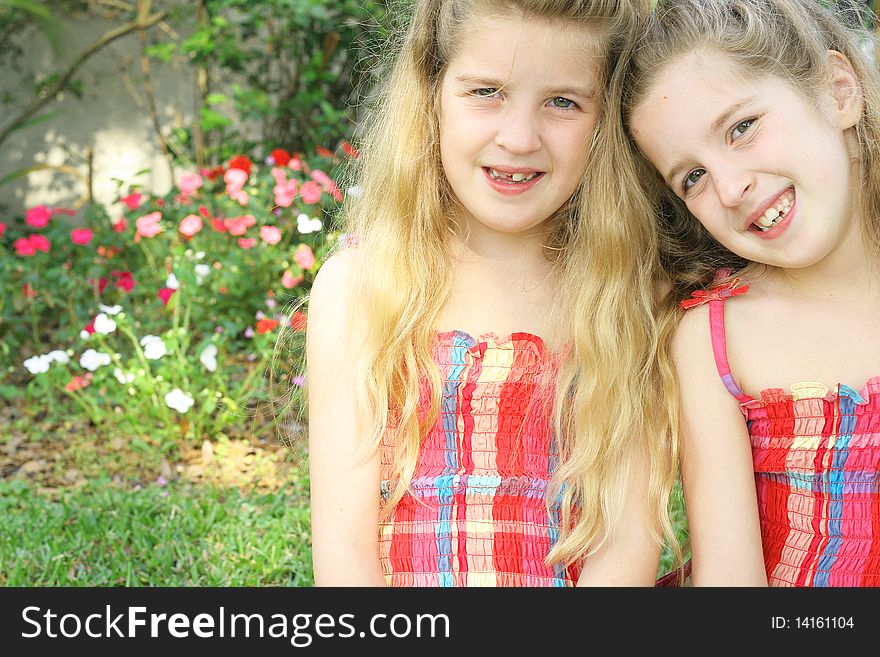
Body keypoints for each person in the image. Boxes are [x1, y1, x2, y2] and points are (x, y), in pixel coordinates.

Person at [306, 0, 677, 587]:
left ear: (606, 121)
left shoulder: (623, 298)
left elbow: (628, 538)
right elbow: (342, 543)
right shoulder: (362, 287)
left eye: (563, 102)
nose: (519, 137)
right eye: (486, 92)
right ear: (431, 96)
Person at [623, 0, 880, 586]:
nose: (732, 189)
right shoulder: (717, 339)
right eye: (693, 177)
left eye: (742, 129)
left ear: (838, 91)